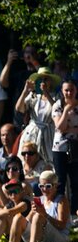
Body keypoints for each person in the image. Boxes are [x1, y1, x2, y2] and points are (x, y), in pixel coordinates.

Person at [7, 170, 71, 242]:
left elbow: (61, 226)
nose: (44, 189)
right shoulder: (40, 200)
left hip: (60, 239)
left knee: (38, 217)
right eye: (41, 186)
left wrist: (44, 215)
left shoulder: (61, 200)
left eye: (48, 186)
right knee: (18, 217)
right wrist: (32, 213)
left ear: (56, 186)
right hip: (43, 236)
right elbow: (27, 222)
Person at [16, 67, 60, 165]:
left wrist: (46, 93)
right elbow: (19, 108)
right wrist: (25, 91)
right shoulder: (34, 96)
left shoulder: (56, 97)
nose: (43, 82)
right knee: (27, 160)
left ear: (51, 81)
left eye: (46, 79)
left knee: (49, 162)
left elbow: (57, 110)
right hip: (32, 133)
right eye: (41, 79)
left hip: (48, 133)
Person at [51, 79, 78, 210]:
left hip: (76, 147)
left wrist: (68, 128)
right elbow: (60, 127)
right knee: (60, 181)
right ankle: (58, 211)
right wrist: (67, 109)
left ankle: (74, 212)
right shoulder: (58, 105)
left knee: (76, 181)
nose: (69, 93)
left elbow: (62, 128)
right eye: (66, 90)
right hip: (60, 148)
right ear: (62, 91)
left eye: (71, 89)